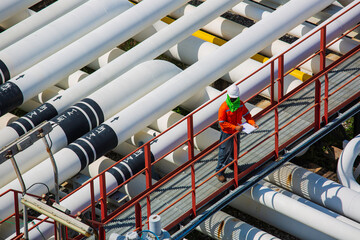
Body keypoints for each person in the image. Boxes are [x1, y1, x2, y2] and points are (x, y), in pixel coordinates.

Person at [216, 84, 258, 183]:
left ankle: (232, 165)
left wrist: (252, 123)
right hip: (227, 133)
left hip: (236, 131)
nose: (234, 100)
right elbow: (222, 123)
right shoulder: (224, 107)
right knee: (224, 152)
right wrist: (234, 127)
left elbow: (247, 114)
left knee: (235, 150)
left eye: (235, 98)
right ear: (228, 96)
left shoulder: (240, 104)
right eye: (232, 98)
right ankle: (220, 172)